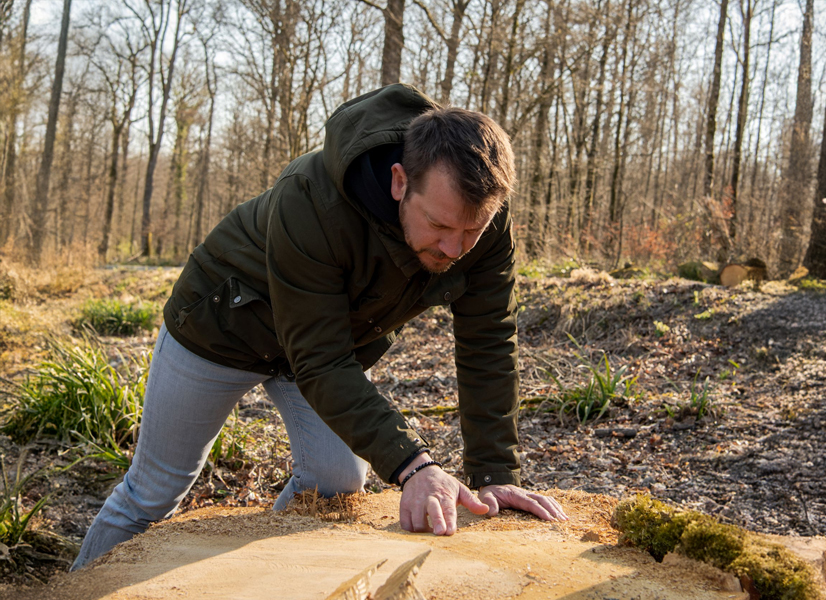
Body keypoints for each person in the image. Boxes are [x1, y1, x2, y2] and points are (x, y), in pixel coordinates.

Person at [71, 83, 567, 571]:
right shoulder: (310, 197)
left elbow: (489, 342)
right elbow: (319, 359)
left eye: (471, 230)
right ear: (399, 181)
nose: (456, 249)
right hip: (221, 328)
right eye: (439, 227)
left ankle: (263, 582)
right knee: (153, 491)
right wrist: (415, 465)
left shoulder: (484, 226)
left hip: (324, 344)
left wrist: (494, 470)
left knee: (333, 483)